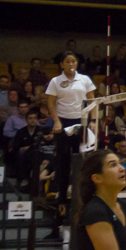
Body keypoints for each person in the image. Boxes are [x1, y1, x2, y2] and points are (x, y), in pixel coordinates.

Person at [46, 51, 97, 220]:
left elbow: (92, 101)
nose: (70, 64)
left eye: (73, 61)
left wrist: (93, 121)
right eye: (67, 62)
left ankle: (82, 198)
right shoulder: (56, 81)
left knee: (81, 160)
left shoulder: (84, 80)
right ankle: (61, 200)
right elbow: (50, 102)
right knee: (62, 161)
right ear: (62, 64)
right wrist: (56, 121)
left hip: (81, 121)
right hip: (63, 122)